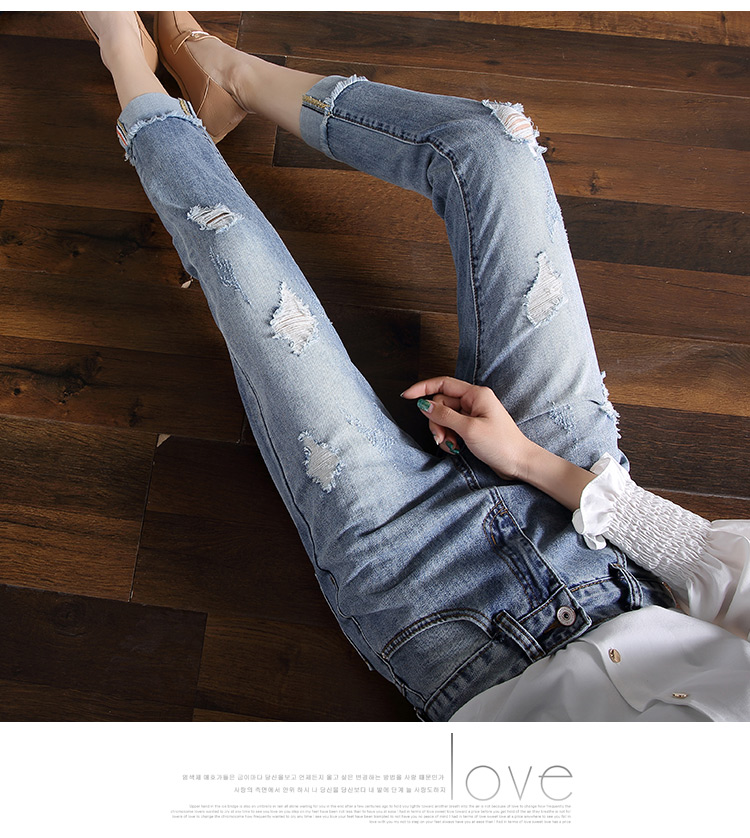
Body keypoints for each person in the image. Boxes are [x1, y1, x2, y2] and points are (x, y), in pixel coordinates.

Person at [79, 11, 750, 721]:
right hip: (586, 513)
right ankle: (228, 74)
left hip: (430, 595)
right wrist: (531, 462)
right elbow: (715, 565)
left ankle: (123, 53)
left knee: (234, 252)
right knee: (493, 145)